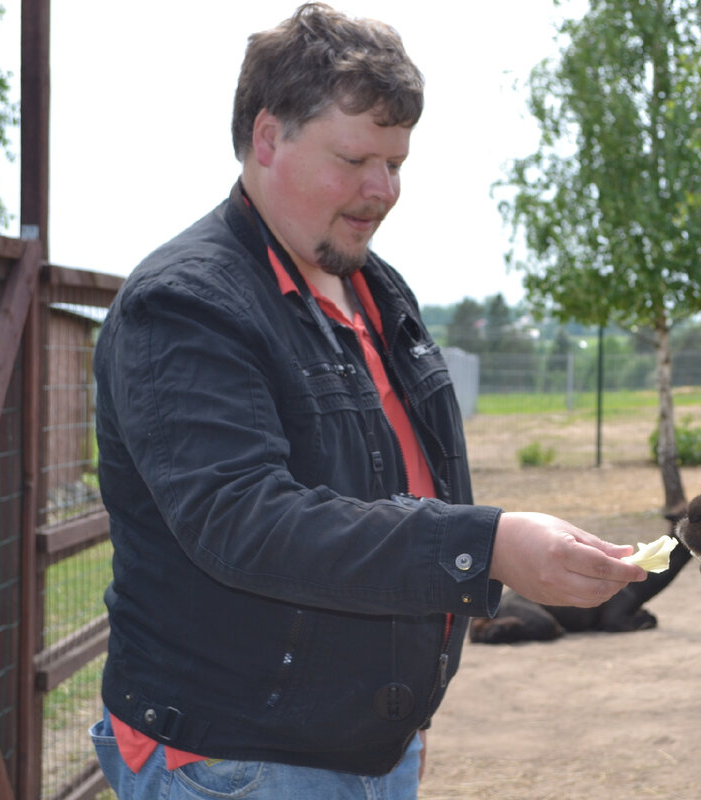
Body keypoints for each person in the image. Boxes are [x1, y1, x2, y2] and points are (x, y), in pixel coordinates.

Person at [88, 4, 647, 798]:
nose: (382, 190)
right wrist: (482, 546)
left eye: (397, 163)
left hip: (363, 740)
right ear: (267, 136)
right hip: (240, 754)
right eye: (355, 159)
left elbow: (401, 486)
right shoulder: (184, 306)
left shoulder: (376, 291)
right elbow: (246, 521)